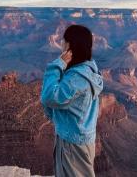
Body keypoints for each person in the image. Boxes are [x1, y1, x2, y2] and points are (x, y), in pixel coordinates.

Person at [40, 24, 104, 177]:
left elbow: (49, 96)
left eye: (63, 40)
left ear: (70, 46)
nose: (60, 43)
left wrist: (57, 65)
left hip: (72, 142)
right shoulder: (88, 70)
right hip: (81, 137)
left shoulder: (76, 78)